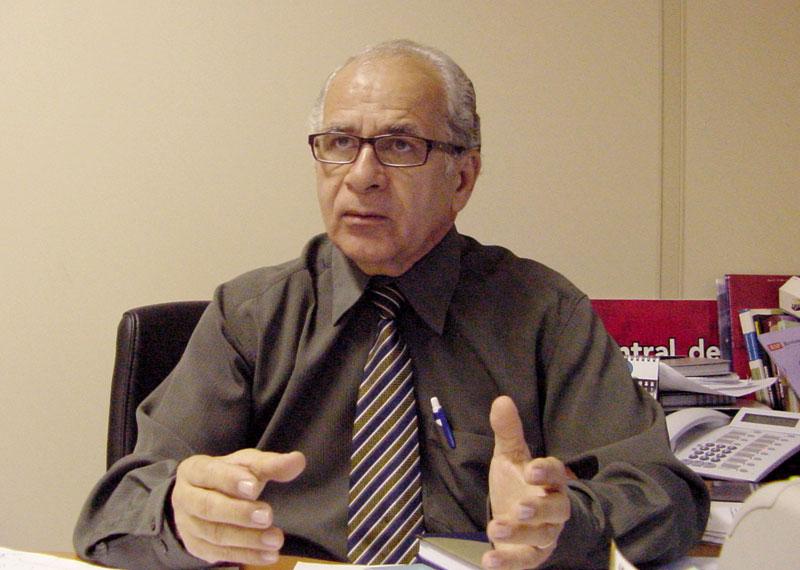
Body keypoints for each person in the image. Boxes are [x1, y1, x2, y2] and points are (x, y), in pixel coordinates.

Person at [74, 39, 709, 569]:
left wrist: (564, 525)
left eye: (400, 146)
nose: (362, 175)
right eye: (339, 143)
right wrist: (181, 515)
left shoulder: (545, 315)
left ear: (462, 178)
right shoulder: (249, 316)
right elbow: (112, 512)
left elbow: (666, 495)